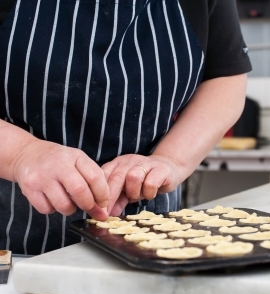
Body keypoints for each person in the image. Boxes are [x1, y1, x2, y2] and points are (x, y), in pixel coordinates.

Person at [0, 0, 251, 255]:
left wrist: (171, 159)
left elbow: (224, 77)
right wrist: (22, 154)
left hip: (154, 243)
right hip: (10, 243)